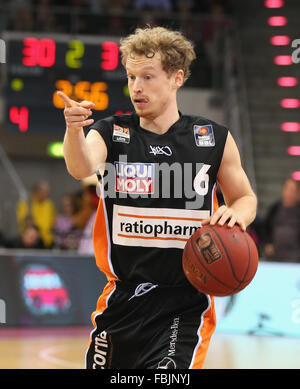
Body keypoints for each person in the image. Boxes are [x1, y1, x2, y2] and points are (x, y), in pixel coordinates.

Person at [58, 26, 257, 369]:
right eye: (132, 76)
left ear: (176, 78)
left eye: (148, 77)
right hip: (122, 298)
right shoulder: (111, 132)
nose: (136, 87)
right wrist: (74, 130)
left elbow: (245, 198)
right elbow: (81, 167)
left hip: (184, 302)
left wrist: (237, 214)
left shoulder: (212, 139)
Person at [263, 177, 300, 262]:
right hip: (275, 255)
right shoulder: (275, 208)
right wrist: (268, 243)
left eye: (293, 190)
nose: (290, 193)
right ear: (284, 190)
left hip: (295, 257)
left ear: (297, 192)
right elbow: (266, 227)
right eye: (288, 189)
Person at [16, 181, 56, 248]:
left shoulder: (49, 204)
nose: (47, 194)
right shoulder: (26, 204)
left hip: (46, 241)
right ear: (36, 192)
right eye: (44, 191)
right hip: (29, 240)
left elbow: (51, 222)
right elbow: (23, 221)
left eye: (47, 192)